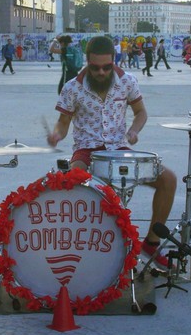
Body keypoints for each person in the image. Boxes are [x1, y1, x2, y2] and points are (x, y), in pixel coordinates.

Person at [47, 36, 178, 269]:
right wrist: (57, 134)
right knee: (74, 183)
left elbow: (141, 112)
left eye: (106, 67)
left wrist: (134, 130)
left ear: (114, 60)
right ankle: (81, 249)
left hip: (119, 149)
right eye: (95, 68)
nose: (101, 72)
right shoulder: (72, 88)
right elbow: (63, 122)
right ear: (87, 62)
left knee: (168, 179)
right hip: (87, 150)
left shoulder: (127, 81)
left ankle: (151, 242)